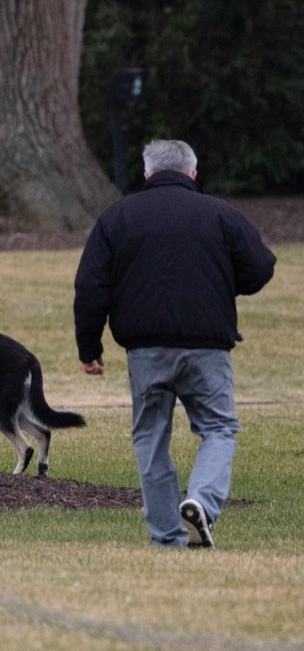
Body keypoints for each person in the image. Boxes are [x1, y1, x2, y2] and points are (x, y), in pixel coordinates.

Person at [73, 139, 276, 548]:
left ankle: (167, 538)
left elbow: (91, 287)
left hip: (145, 348)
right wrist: (222, 286)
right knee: (218, 426)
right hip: (207, 344)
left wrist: (88, 347)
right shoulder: (219, 214)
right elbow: (261, 266)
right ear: (193, 174)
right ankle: (201, 500)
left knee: (151, 435)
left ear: (146, 174)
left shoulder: (119, 216)